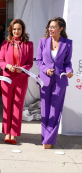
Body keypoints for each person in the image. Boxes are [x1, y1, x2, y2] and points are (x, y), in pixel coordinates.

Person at [36, 17, 73, 149]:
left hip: (60, 80)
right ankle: (45, 137)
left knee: (55, 111)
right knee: (45, 110)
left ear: (61, 29)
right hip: (45, 80)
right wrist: (46, 70)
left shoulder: (67, 43)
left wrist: (70, 71)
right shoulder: (43, 41)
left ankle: (49, 139)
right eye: (49, 27)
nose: (50, 29)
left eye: (53, 27)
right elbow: (39, 60)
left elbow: (67, 63)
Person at [0, 19, 33, 144]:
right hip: (7, 78)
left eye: (19, 29)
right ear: (10, 30)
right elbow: (0, 61)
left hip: (21, 78)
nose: (16, 31)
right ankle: (7, 132)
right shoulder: (5, 43)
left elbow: (30, 63)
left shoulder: (29, 44)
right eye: (14, 29)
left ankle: (14, 134)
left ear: (22, 29)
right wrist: (8, 66)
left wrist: (22, 69)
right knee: (7, 105)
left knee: (17, 105)